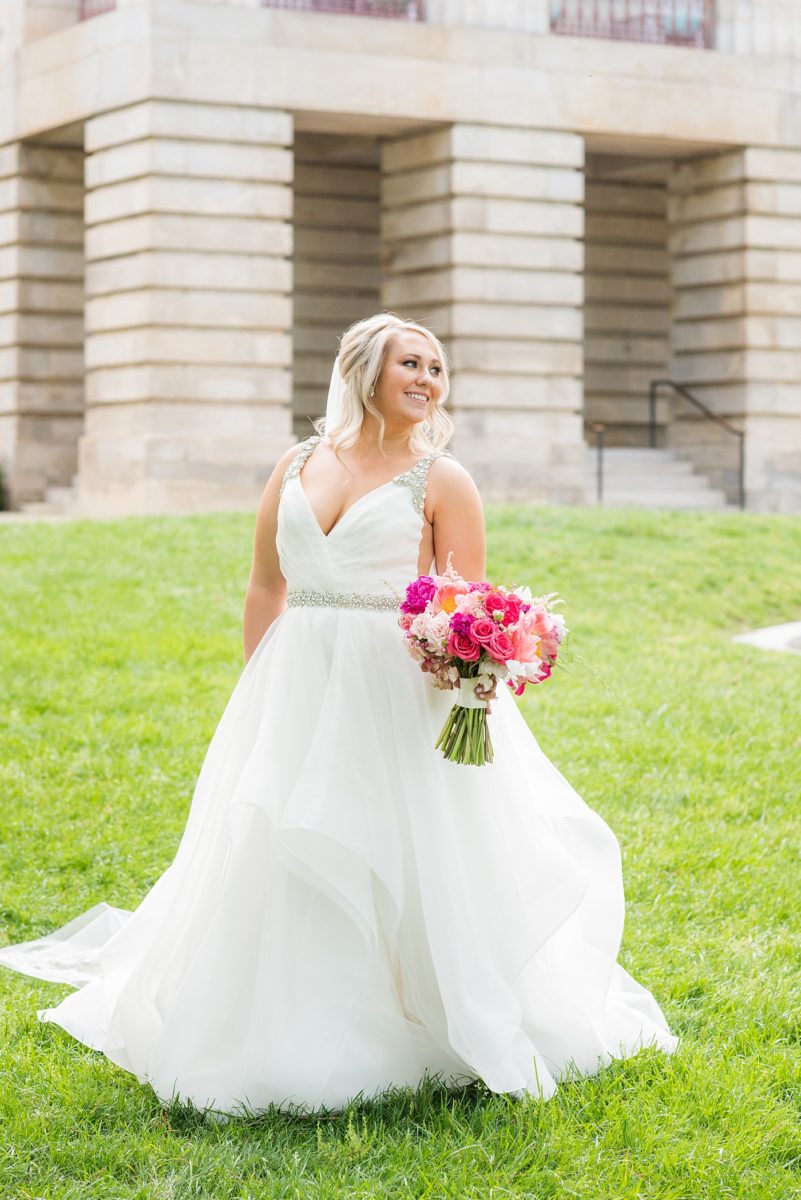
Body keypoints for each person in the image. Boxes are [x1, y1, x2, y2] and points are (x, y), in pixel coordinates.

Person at [0, 313, 677, 1115]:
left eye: (436, 367)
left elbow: (462, 600)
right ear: (363, 370)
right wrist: (263, 688)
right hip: (295, 682)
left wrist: (464, 670)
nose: (428, 379)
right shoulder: (294, 464)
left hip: (396, 690)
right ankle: (282, 1015)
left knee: (396, 844)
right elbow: (265, 585)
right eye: (410, 364)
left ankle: (420, 1009)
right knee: (279, 837)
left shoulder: (442, 479)